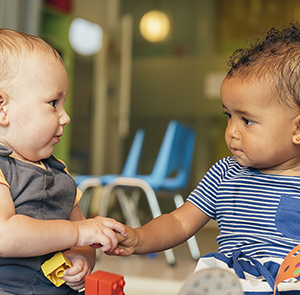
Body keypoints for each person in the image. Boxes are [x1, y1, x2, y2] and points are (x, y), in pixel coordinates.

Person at [114, 23, 300, 294]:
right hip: (229, 282)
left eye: (247, 120)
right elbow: (179, 222)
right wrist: (140, 238)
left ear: (297, 130)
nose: (232, 132)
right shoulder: (225, 173)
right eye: (229, 116)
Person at [0, 28, 126, 295]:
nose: (65, 116)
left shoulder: (59, 172)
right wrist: (78, 233)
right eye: (53, 103)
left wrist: (82, 258)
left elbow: (82, 237)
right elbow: (5, 235)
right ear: (2, 109)